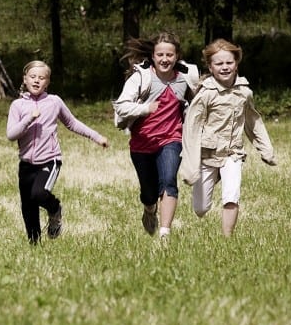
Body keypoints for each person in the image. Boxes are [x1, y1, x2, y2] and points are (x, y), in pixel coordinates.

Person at [179, 39, 276, 236]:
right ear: (210, 67)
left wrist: (266, 150)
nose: (224, 67)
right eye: (219, 64)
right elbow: (192, 127)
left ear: (236, 64)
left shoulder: (244, 92)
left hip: (233, 153)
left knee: (231, 196)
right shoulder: (206, 94)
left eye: (229, 63)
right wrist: (189, 165)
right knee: (201, 209)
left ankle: (227, 238)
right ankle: (213, 177)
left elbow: (253, 121)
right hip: (207, 155)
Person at [7, 61, 109, 244]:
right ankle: (34, 244)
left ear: (47, 82)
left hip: (49, 160)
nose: (37, 81)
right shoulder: (17, 105)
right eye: (32, 77)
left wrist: (96, 136)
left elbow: (73, 123)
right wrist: (29, 119)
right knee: (28, 205)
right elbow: (11, 134)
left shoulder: (54, 102)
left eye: (41, 78)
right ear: (25, 79)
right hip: (26, 164)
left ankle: (55, 209)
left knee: (39, 194)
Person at [112, 32, 200, 239]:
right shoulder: (141, 78)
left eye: (169, 55)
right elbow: (121, 107)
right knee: (149, 194)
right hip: (142, 143)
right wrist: (145, 108)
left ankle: (164, 234)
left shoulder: (186, 77)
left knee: (169, 181)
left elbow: (199, 101)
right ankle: (149, 210)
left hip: (172, 139)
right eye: (160, 54)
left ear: (177, 56)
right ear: (152, 56)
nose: (164, 59)